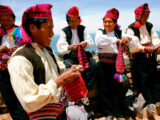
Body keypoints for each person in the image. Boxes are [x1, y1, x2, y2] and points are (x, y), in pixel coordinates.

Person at [7, 4, 83, 120]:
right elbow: (29, 101)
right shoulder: (20, 59)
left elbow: (59, 70)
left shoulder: (48, 50)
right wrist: (59, 81)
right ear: (33, 28)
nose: (52, 33)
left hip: (58, 113)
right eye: (49, 28)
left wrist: (70, 71)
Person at [95, 8, 139, 120]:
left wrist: (127, 38)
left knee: (117, 88)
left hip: (117, 66)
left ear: (115, 23)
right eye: (105, 21)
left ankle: (118, 113)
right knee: (105, 89)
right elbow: (99, 41)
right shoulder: (100, 32)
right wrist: (116, 40)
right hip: (103, 65)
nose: (107, 24)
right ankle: (108, 113)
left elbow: (135, 41)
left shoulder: (120, 33)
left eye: (110, 22)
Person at [127, 3, 160, 114]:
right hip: (139, 57)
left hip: (151, 55)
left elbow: (154, 37)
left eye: (147, 15)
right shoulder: (131, 28)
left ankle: (158, 99)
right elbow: (132, 44)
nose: (146, 18)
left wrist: (155, 45)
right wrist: (143, 48)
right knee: (143, 78)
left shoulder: (149, 25)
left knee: (154, 76)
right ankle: (150, 101)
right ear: (139, 15)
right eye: (144, 15)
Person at [57, 6, 97, 91]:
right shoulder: (64, 31)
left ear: (79, 20)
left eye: (76, 21)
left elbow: (90, 43)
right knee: (69, 67)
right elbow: (61, 47)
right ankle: (75, 90)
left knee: (93, 65)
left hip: (82, 54)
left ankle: (87, 88)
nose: (74, 23)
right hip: (71, 56)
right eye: (71, 21)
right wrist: (70, 47)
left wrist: (85, 43)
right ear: (68, 21)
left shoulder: (83, 29)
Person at [0, 5, 29, 120]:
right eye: (2, 19)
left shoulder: (20, 31)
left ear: (13, 19)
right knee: (9, 99)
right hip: (2, 71)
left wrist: (16, 50)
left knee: (21, 98)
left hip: (18, 69)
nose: (6, 22)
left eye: (8, 19)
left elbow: (27, 46)